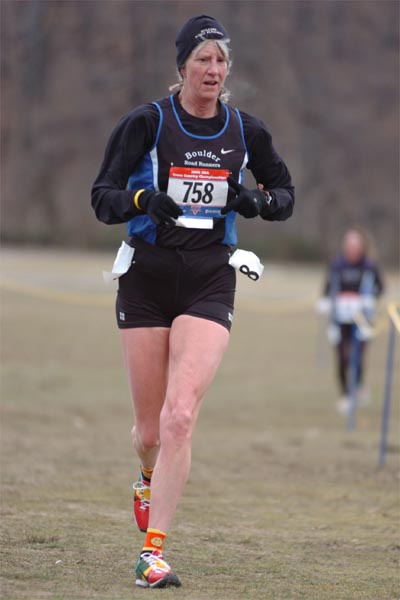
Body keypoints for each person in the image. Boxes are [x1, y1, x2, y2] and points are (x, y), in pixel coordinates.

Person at [91, 14, 294, 589]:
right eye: (203, 59)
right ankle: (145, 474)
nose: (212, 69)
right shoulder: (147, 123)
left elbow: (285, 194)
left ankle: (153, 552)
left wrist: (256, 203)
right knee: (151, 431)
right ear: (182, 66)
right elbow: (101, 197)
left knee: (181, 416)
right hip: (147, 279)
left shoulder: (243, 129)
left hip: (210, 278)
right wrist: (142, 199)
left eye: (221, 60)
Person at [317, 227, 384, 414]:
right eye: (349, 245)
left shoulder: (369, 266)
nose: (352, 249)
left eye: (355, 245)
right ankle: (346, 395)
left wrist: (370, 298)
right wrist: (324, 301)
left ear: (362, 247)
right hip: (339, 319)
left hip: (362, 318)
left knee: (358, 356)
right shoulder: (337, 265)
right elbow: (328, 286)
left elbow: (380, 287)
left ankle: (359, 386)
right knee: (341, 356)